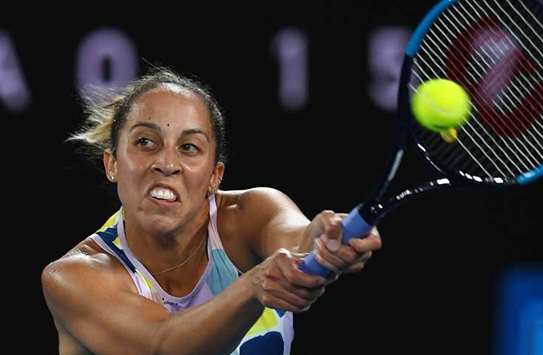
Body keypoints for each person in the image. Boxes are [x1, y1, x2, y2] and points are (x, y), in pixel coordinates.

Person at [41, 69, 382, 355]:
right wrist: (255, 285)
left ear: (214, 177)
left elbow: (298, 239)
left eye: (189, 147)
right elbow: (163, 345)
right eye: (146, 142)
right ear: (112, 163)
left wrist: (327, 238)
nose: (166, 163)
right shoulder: (72, 278)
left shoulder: (250, 215)